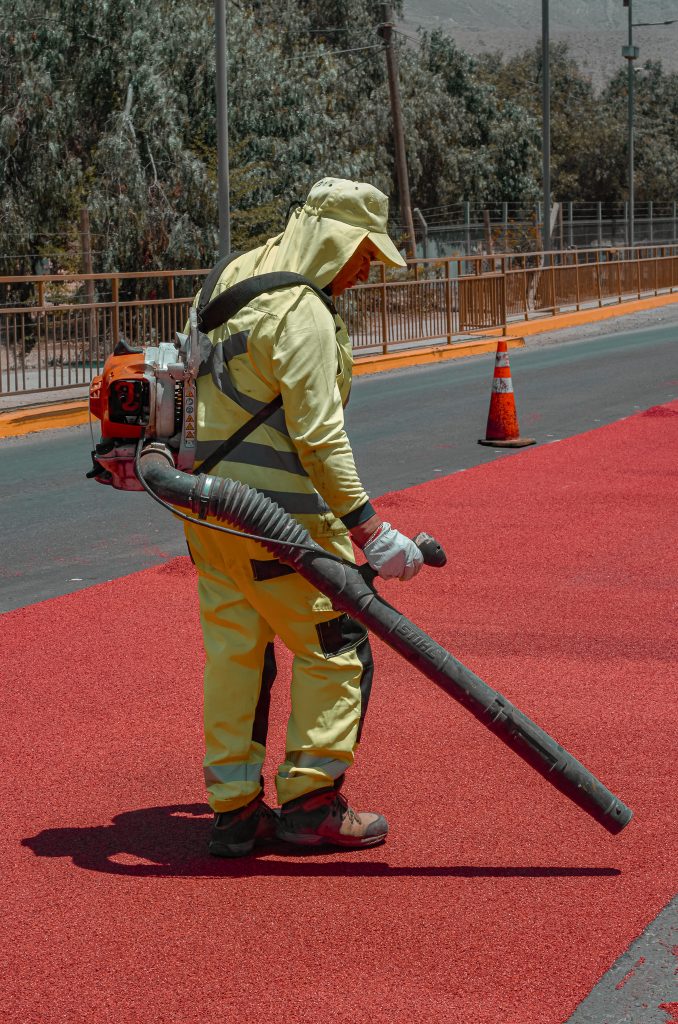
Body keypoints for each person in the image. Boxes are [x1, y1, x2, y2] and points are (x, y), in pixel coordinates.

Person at [184, 177, 424, 857]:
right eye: (366, 256)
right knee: (337, 647)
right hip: (282, 529)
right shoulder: (303, 312)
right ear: (340, 241)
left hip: (209, 518)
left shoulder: (227, 275)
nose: (366, 271)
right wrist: (371, 531)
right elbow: (319, 439)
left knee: (237, 654)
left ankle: (233, 812)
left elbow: (180, 369)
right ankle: (311, 805)